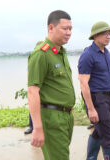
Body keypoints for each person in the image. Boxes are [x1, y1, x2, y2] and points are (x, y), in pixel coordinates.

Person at [27, 10, 75, 160]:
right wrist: (38, 127)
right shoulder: (41, 54)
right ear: (51, 28)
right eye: (64, 28)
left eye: (70, 29)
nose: (69, 33)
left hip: (66, 116)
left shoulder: (60, 53)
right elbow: (32, 91)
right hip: (52, 118)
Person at [78, 21, 110, 160]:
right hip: (96, 99)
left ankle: (91, 158)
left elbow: (104, 76)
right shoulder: (88, 55)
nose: (108, 37)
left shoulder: (106, 52)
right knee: (108, 135)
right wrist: (91, 109)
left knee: (99, 130)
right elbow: (83, 84)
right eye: (105, 34)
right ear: (95, 36)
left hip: (107, 97)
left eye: (109, 34)